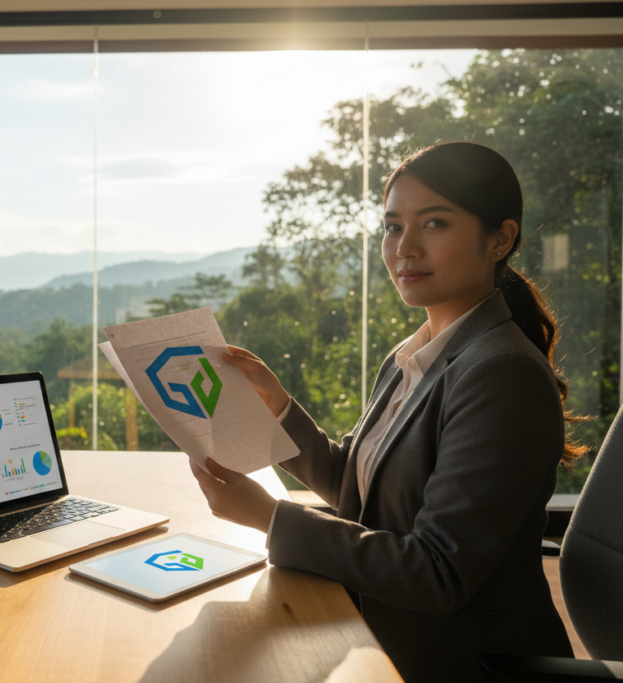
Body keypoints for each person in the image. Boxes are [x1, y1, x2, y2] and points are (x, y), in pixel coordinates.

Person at [190, 141, 579, 682]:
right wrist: (278, 407)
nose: (405, 248)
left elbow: (436, 573)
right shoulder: (413, 354)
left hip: (464, 662)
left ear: (500, 239)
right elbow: (359, 490)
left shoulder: (501, 373)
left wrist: (268, 517)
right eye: (393, 227)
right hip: (384, 636)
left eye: (435, 224)